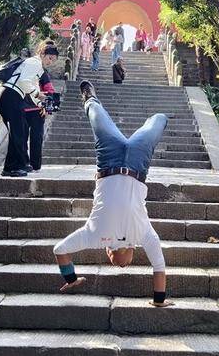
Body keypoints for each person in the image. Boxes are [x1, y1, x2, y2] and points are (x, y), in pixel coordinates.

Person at [53, 80, 172, 308]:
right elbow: (158, 267)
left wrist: (72, 279)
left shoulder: (96, 236)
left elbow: (60, 250)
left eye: (117, 264)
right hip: (135, 164)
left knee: (99, 115)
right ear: (130, 254)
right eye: (121, 266)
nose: (116, 262)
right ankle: (147, 111)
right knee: (158, 120)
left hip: (110, 160)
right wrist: (159, 301)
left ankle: (89, 98)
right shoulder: (142, 236)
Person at [0, 43, 59, 177]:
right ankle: (13, 167)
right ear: (42, 54)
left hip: (7, 95)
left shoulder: (35, 66)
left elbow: (30, 89)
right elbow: (25, 82)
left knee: (18, 131)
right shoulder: (34, 63)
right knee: (18, 132)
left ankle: (12, 167)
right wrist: (38, 95)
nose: (50, 62)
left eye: (53, 60)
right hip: (10, 95)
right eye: (49, 58)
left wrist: (40, 104)